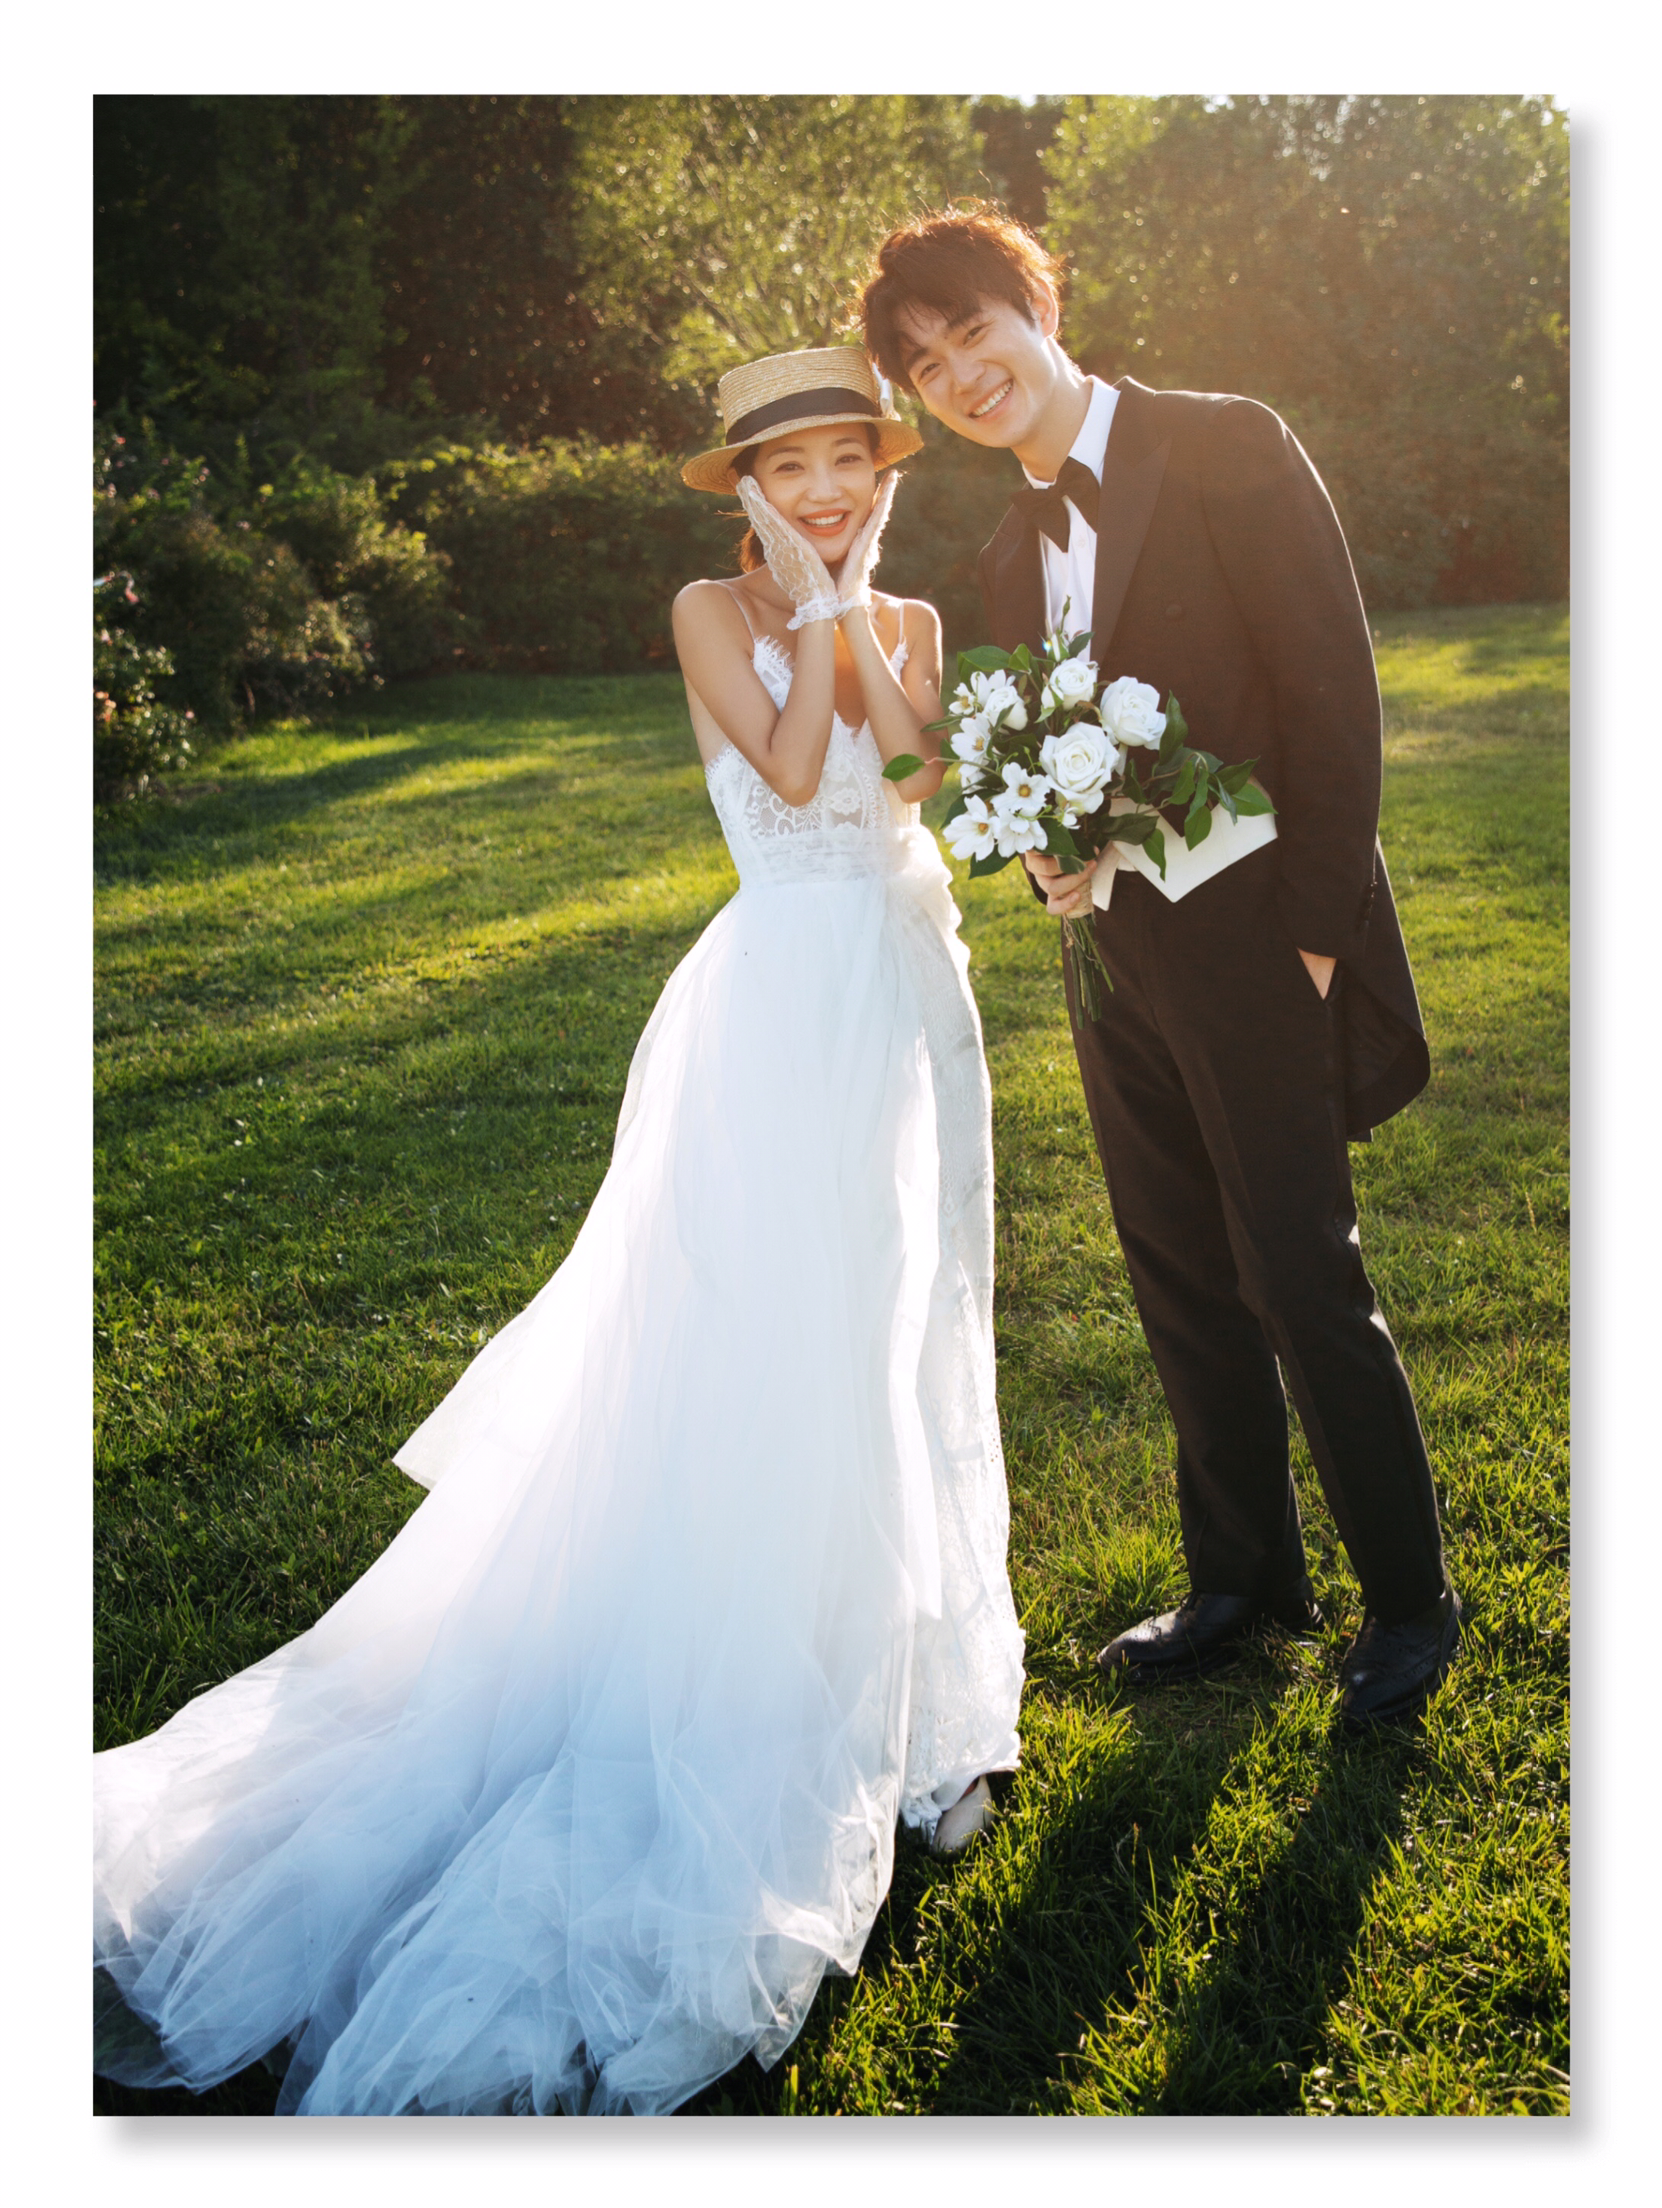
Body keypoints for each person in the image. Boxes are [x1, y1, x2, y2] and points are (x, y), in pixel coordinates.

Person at [93, 345, 1025, 2117]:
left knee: (893, 1319)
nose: (824, 491)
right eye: (790, 470)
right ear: (749, 490)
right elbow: (791, 768)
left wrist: (868, 616)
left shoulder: (908, 618)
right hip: (778, 1001)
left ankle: (894, 1681)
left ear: (883, 470)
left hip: (899, 1000)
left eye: (847, 461)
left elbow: (911, 780)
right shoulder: (707, 611)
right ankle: (739, 1662)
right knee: (768, 1327)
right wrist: (822, 607)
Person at [859, 208, 1459, 1731]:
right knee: (1177, 1267)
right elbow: (1052, 766)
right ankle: (1243, 1583)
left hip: (1262, 942)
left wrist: (1317, 931)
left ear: (1037, 306)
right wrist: (1051, 861)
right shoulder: (1005, 552)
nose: (961, 375)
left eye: (972, 331)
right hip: (1114, 959)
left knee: (1296, 1269)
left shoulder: (1224, 442)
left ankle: (1408, 1602)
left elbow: (1331, 692)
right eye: (925, 367)